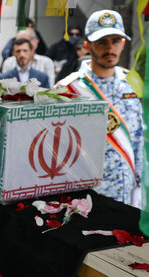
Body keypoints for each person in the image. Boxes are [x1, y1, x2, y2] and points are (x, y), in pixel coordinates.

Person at [58, 10, 143, 206]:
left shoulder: (131, 83)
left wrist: (140, 184)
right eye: (102, 42)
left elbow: (138, 138)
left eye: (116, 41)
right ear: (87, 46)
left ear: (123, 43)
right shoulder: (68, 89)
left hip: (128, 193)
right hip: (87, 198)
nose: (110, 48)